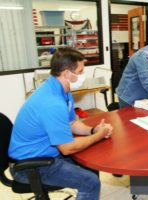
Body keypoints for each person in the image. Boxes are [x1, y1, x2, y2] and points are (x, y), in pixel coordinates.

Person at [8, 48, 113, 200]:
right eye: (81, 71)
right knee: (91, 182)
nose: (84, 76)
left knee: (91, 164)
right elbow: (67, 148)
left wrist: (93, 130)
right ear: (67, 73)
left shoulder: (62, 90)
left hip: (44, 153)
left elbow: (72, 123)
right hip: (29, 166)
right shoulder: (52, 102)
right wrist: (99, 135)